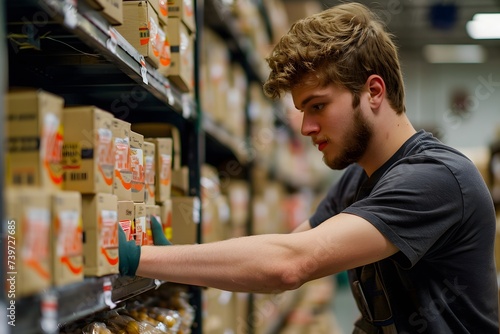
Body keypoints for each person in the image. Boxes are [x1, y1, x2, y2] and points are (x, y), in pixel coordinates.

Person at [119, 2, 499, 333]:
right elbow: (283, 256)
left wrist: (141, 258)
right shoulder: (358, 178)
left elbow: (290, 265)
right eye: (302, 111)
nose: (306, 128)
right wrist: (173, 260)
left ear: (374, 92)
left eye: (318, 106)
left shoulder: (436, 178)